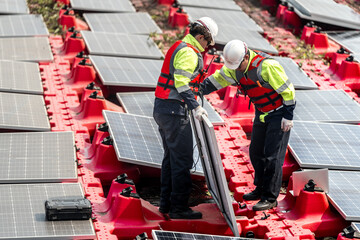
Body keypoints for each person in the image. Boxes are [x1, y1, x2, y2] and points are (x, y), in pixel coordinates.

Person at [200, 40, 296, 211]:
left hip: (279, 113)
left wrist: (288, 116)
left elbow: (288, 91)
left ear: (246, 57)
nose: (236, 69)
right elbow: (218, 80)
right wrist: (197, 89)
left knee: (273, 157)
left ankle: (270, 197)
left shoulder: (267, 67)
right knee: (256, 152)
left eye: (238, 66)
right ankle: (260, 189)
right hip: (262, 112)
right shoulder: (233, 68)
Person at [153, 17, 218, 219]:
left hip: (163, 108)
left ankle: (166, 204)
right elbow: (181, 83)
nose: (207, 48)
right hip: (173, 111)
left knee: (171, 159)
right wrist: (195, 106)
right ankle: (179, 208)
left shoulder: (179, 46)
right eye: (207, 43)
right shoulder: (189, 53)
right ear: (200, 37)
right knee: (182, 160)